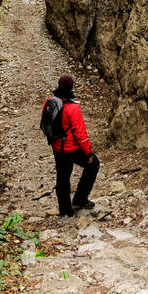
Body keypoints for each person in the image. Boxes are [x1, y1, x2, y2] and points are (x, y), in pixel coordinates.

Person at [40, 74, 100, 217]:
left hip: (56, 146)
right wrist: (89, 153)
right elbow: (81, 134)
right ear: (72, 87)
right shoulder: (73, 108)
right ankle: (80, 199)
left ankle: (65, 210)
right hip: (71, 148)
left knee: (62, 177)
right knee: (93, 165)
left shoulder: (49, 101)